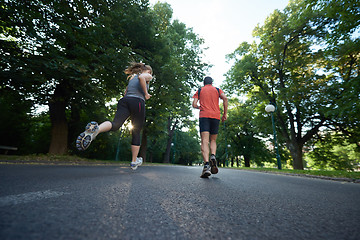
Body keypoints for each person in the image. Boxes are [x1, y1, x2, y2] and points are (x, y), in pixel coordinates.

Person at [76, 62, 153, 170]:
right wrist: (145, 93)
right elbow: (142, 77)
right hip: (138, 102)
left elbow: (126, 92)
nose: (150, 77)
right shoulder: (147, 75)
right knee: (136, 131)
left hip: (124, 101)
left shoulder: (132, 78)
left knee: (115, 124)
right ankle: (134, 161)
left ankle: (96, 130)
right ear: (148, 71)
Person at [192, 76, 228, 178]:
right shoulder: (217, 90)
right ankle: (213, 155)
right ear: (212, 83)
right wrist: (225, 114)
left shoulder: (200, 90)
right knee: (213, 140)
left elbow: (194, 104)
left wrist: (199, 107)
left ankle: (207, 164)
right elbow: (225, 98)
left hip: (204, 116)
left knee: (204, 140)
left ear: (204, 83)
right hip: (216, 116)